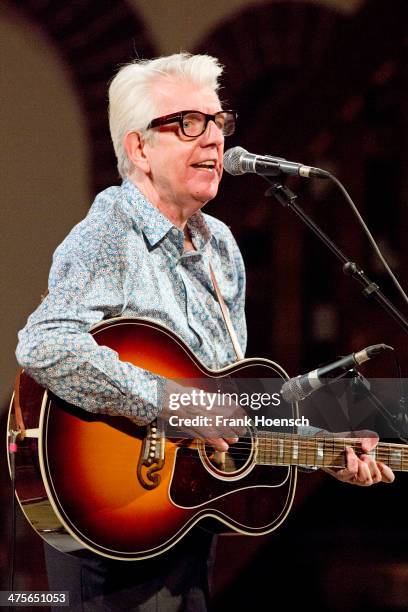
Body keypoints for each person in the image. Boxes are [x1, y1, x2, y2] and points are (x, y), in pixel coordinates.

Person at [15, 52, 394, 611]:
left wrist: (326, 451)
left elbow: (229, 406)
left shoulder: (220, 247)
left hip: (185, 530)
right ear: (139, 148)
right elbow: (44, 344)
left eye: (219, 121)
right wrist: (172, 404)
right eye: (189, 123)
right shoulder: (109, 234)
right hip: (112, 533)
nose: (213, 139)